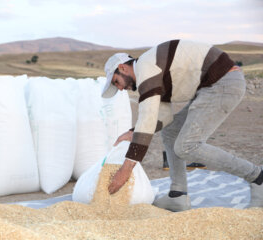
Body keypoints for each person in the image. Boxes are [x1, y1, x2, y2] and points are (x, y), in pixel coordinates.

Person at [102, 39, 263, 211]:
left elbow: (147, 117)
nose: (119, 88)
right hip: (209, 88)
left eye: (116, 82)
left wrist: (126, 169)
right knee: (170, 131)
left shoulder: (146, 68)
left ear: (123, 68)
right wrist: (134, 132)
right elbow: (163, 117)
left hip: (223, 82)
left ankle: (257, 176)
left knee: (187, 146)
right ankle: (178, 195)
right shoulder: (151, 72)